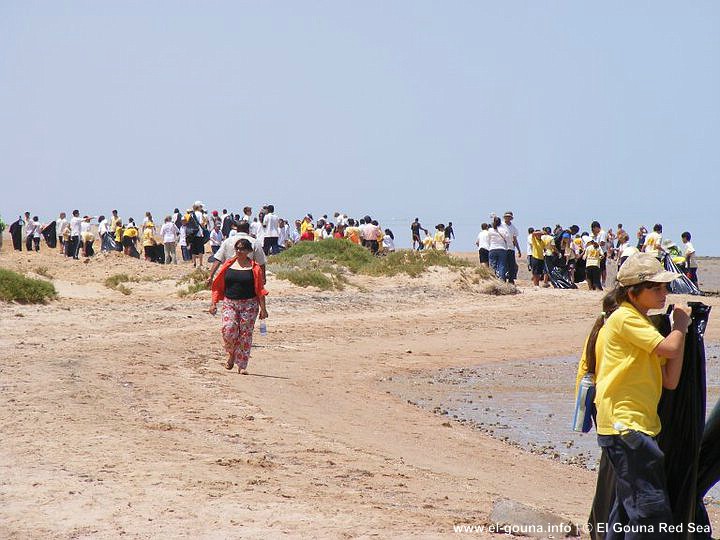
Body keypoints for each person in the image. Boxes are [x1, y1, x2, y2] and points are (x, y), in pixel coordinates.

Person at [592, 253, 689, 538]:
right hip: (626, 426)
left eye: (665, 287)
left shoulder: (644, 325)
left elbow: (670, 380)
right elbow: (670, 349)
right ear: (633, 292)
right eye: (656, 288)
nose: (664, 293)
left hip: (639, 426)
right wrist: (680, 326)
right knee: (650, 511)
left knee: (625, 510)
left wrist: (677, 333)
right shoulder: (624, 317)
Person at [209, 238, 268, 375]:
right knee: (228, 330)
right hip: (230, 303)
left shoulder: (255, 268)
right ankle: (231, 354)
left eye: (242, 249)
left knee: (245, 335)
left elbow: (260, 290)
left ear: (248, 251)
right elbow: (217, 285)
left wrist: (263, 309)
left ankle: (242, 365)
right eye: (237, 248)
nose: (239, 251)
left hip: (250, 305)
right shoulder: (228, 265)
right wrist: (213, 303)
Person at [499, 212, 522, 284]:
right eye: (506, 217)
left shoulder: (513, 228)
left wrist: (518, 249)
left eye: (509, 217)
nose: (507, 218)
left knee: (512, 265)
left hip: (511, 248)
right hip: (503, 247)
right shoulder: (500, 225)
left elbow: (515, 239)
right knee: (503, 264)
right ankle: (503, 279)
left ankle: (511, 280)